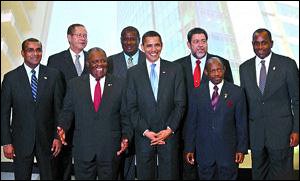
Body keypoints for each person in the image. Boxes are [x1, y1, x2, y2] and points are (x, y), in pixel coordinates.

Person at [57, 47, 132, 180]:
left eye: (103, 61)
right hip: (83, 149)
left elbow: (125, 115)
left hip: (110, 149)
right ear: (87, 64)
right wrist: (62, 127)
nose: (100, 65)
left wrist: (126, 136)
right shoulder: (75, 85)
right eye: (95, 61)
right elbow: (67, 111)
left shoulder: (120, 84)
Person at [239, 28, 299, 180]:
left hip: (281, 134)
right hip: (256, 136)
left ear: (271, 43)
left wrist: (297, 130)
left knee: (283, 176)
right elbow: (244, 105)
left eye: (264, 43)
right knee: (259, 175)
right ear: (252, 44)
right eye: (256, 44)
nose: (260, 47)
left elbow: (296, 100)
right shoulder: (244, 68)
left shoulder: (287, 64)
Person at [175, 27, 234, 180]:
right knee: (188, 173)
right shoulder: (177, 66)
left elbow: (230, 99)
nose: (200, 45)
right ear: (189, 44)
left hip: (215, 135)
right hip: (185, 132)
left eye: (203, 41)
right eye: (196, 42)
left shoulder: (221, 63)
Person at [1, 38, 64, 180]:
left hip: (48, 141)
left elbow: (58, 110)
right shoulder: (10, 78)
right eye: (30, 50)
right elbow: (3, 113)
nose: (35, 53)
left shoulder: (54, 75)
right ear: (22, 53)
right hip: (20, 142)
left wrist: (58, 137)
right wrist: (6, 142)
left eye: (38, 50)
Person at [126, 31, 186, 180]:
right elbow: (131, 107)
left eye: (157, 45)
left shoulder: (175, 69)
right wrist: (146, 131)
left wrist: (169, 130)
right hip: (144, 136)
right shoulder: (133, 73)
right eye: (149, 46)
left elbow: (180, 104)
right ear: (142, 47)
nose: (153, 49)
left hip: (169, 136)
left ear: (162, 46)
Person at [184, 57, 248, 180]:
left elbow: (241, 123)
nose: (217, 73)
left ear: (224, 70)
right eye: (212, 71)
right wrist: (189, 148)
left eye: (219, 70)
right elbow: (192, 123)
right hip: (204, 153)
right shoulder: (197, 93)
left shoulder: (237, 92)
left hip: (228, 154)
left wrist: (241, 149)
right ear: (206, 72)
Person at [47, 23, 89, 180]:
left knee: (85, 165)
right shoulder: (55, 60)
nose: (83, 38)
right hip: (64, 123)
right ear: (69, 37)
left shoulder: (92, 59)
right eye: (79, 35)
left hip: (88, 123)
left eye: (85, 35)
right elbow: (53, 95)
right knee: (61, 166)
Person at [107, 26, 146, 180]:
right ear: (121, 40)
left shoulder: (148, 58)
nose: (129, 42)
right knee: (119, 163)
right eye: (125, 38)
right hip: (118, 122)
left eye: (133, 38)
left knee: (143, 165)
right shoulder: (109, 61)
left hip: (144, 121)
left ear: (139, 40)